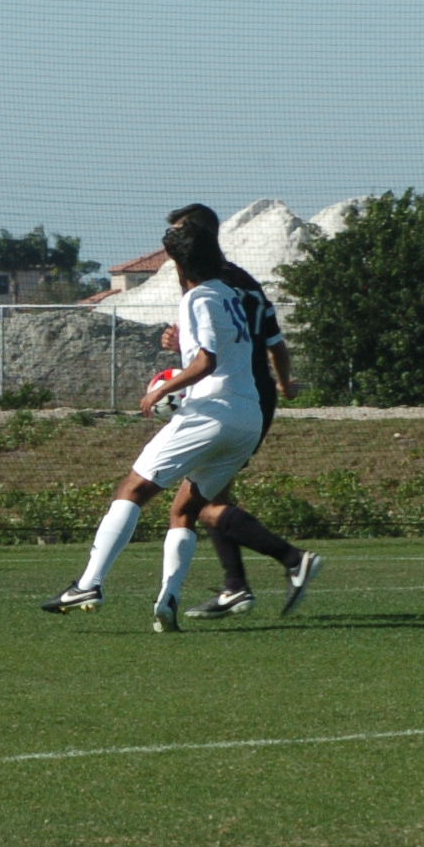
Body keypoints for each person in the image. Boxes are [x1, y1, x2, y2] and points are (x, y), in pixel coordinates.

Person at [43, 223, 320, 631]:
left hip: (212, 411)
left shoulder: (197, 297)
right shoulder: (229, 295)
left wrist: (163, 389)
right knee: (185, 509)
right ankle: (168, 602)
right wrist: (184, 347)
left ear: (178, 264)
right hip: (248, 418)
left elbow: (207, 361)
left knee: (133, 489)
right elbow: (231, 350)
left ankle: (88, 584)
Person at [160, 202, 302, 619]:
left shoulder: (211, 286)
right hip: (252, 396)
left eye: (177, 232)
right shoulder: (242, 281)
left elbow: (214, 354)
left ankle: (292, 559)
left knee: (196, 503)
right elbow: (273, 343)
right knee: (210, 495)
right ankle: (236, 587)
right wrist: (284, 383)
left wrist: (167, 384)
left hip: (232, 398)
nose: (170, 240)